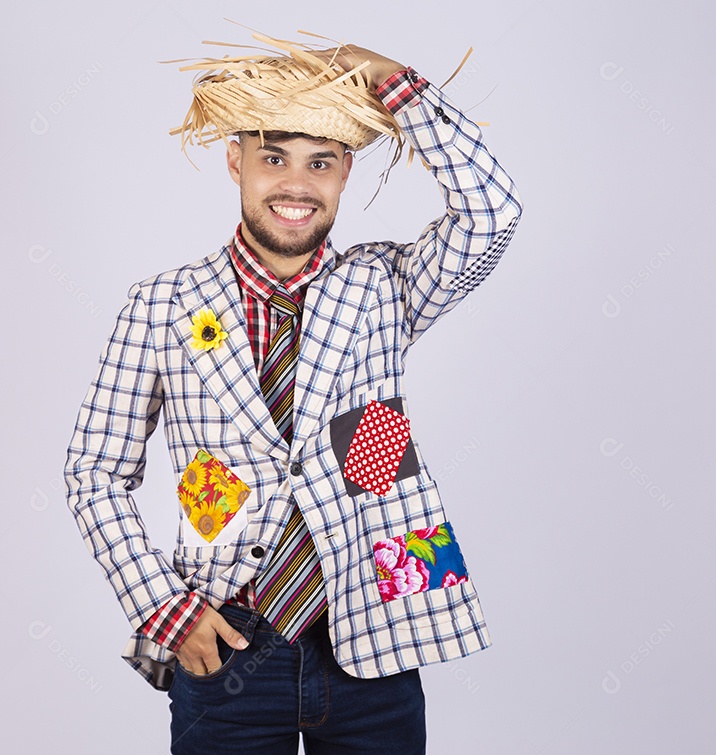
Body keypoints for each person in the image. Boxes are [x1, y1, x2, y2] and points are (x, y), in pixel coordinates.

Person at [63, 33, 521, 754]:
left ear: (345, 173)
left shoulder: (384, 287)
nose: (296, 185)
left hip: (376, 630)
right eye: (274, 157)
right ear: (236, 159)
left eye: (321, 162)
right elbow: (94, 473)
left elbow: (493, 211)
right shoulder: (161, 306)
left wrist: (395, 84)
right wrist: (164, 608)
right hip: (226, 639)